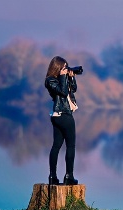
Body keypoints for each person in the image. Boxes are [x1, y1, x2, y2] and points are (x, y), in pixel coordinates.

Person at [44, 56, 79, 185]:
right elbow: (63, 93)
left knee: (57, 145)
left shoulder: (61, 79)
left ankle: (53, 178)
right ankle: (68, 176)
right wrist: (64, 77)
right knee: (70, 146)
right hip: (63, 115)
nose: (65, 69)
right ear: (57, 67)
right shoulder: (50, 80)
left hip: (59, 116)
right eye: (63, 67)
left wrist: (71, 76)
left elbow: (72, 90)